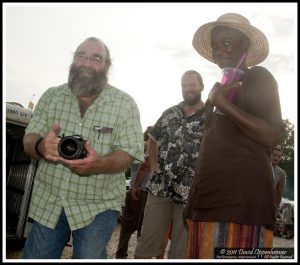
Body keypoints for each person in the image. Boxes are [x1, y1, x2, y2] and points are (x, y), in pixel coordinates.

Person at [22, 37, 144, 259]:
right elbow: (29, 137)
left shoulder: (125, 104)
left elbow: (128, 153)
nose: (87, 63)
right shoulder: (52, 96)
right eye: (81, 56)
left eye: (96, 58)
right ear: (73, 61)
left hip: (98, 204)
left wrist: (99, 164)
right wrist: (40, 146)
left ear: (107, 65)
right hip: (49, 199)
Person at [184, 13, 284, 259]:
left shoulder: (258, 77)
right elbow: (209, 149)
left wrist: (223, 104)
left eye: (226, 42)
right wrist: (192, 204)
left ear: (245, 46)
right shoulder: (215, 91)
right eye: (216, 47)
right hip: (206, 204)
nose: (219, 50)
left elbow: (272, 134)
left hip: (242, 207)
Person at [134, 70, 206, 259]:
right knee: (147, 241)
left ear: (201, 86)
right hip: (160, 186)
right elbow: (152, 138)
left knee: (181, 249)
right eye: (184, 85)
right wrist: (154, 163)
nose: (188, 88)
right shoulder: (169, 113)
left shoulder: (210, 117)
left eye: (192, 84)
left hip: (190, 191)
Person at [116, 127, 152, 259]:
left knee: (128, 226)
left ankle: (122, 255)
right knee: (139, 228)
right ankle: (136, 256)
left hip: (138, 191)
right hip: (140, 191)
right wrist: (136, 185)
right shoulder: (145, 147)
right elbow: (145, 166)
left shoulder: (137, 148)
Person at [271, 146, 287, 218]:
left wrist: (276, 208)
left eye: (279, 156)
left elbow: (279, 193)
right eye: (274, 155)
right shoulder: (261, 168)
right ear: (270, 154)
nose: (276, 158)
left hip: (270, 206)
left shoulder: (281, 173)